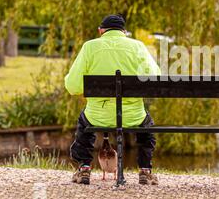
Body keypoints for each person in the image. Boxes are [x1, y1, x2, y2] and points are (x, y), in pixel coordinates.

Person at [65, 14, 161, 185]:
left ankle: (84, 168)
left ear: (101, 31)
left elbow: (73, 86)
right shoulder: (137, 47)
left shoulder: (90, 47)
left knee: (84, 122)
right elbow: (155, 80)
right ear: (124, 32)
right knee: (147, 128)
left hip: (97, 115)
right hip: (133, 116)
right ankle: (145, 170)